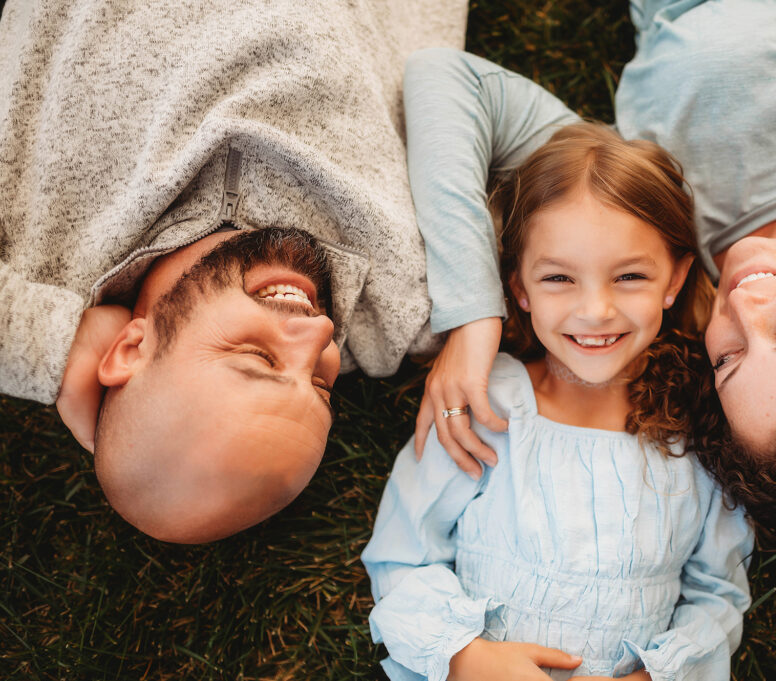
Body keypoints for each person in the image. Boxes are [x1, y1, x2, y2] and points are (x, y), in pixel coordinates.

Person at [400, 0, 776, 546]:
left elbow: (447, 81)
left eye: (727, 362)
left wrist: (473, 317)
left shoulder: (650, 219)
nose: (743, 312)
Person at [0, 0, 467, 543]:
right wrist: (475, 327)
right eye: (320, 384)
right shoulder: (402, 306)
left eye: (258, 356)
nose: (319, 334)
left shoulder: (31, 239)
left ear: (130, 349)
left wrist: (54, 346)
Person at [362, 123, 753, 681]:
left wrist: (659, 675)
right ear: (518, 286)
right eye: (559, 278)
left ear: (675, 279)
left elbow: (718, 592)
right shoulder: (486, 404)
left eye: (630, 276)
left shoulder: (698, 427)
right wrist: (465, 657)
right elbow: (401, 554)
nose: (595, 310)